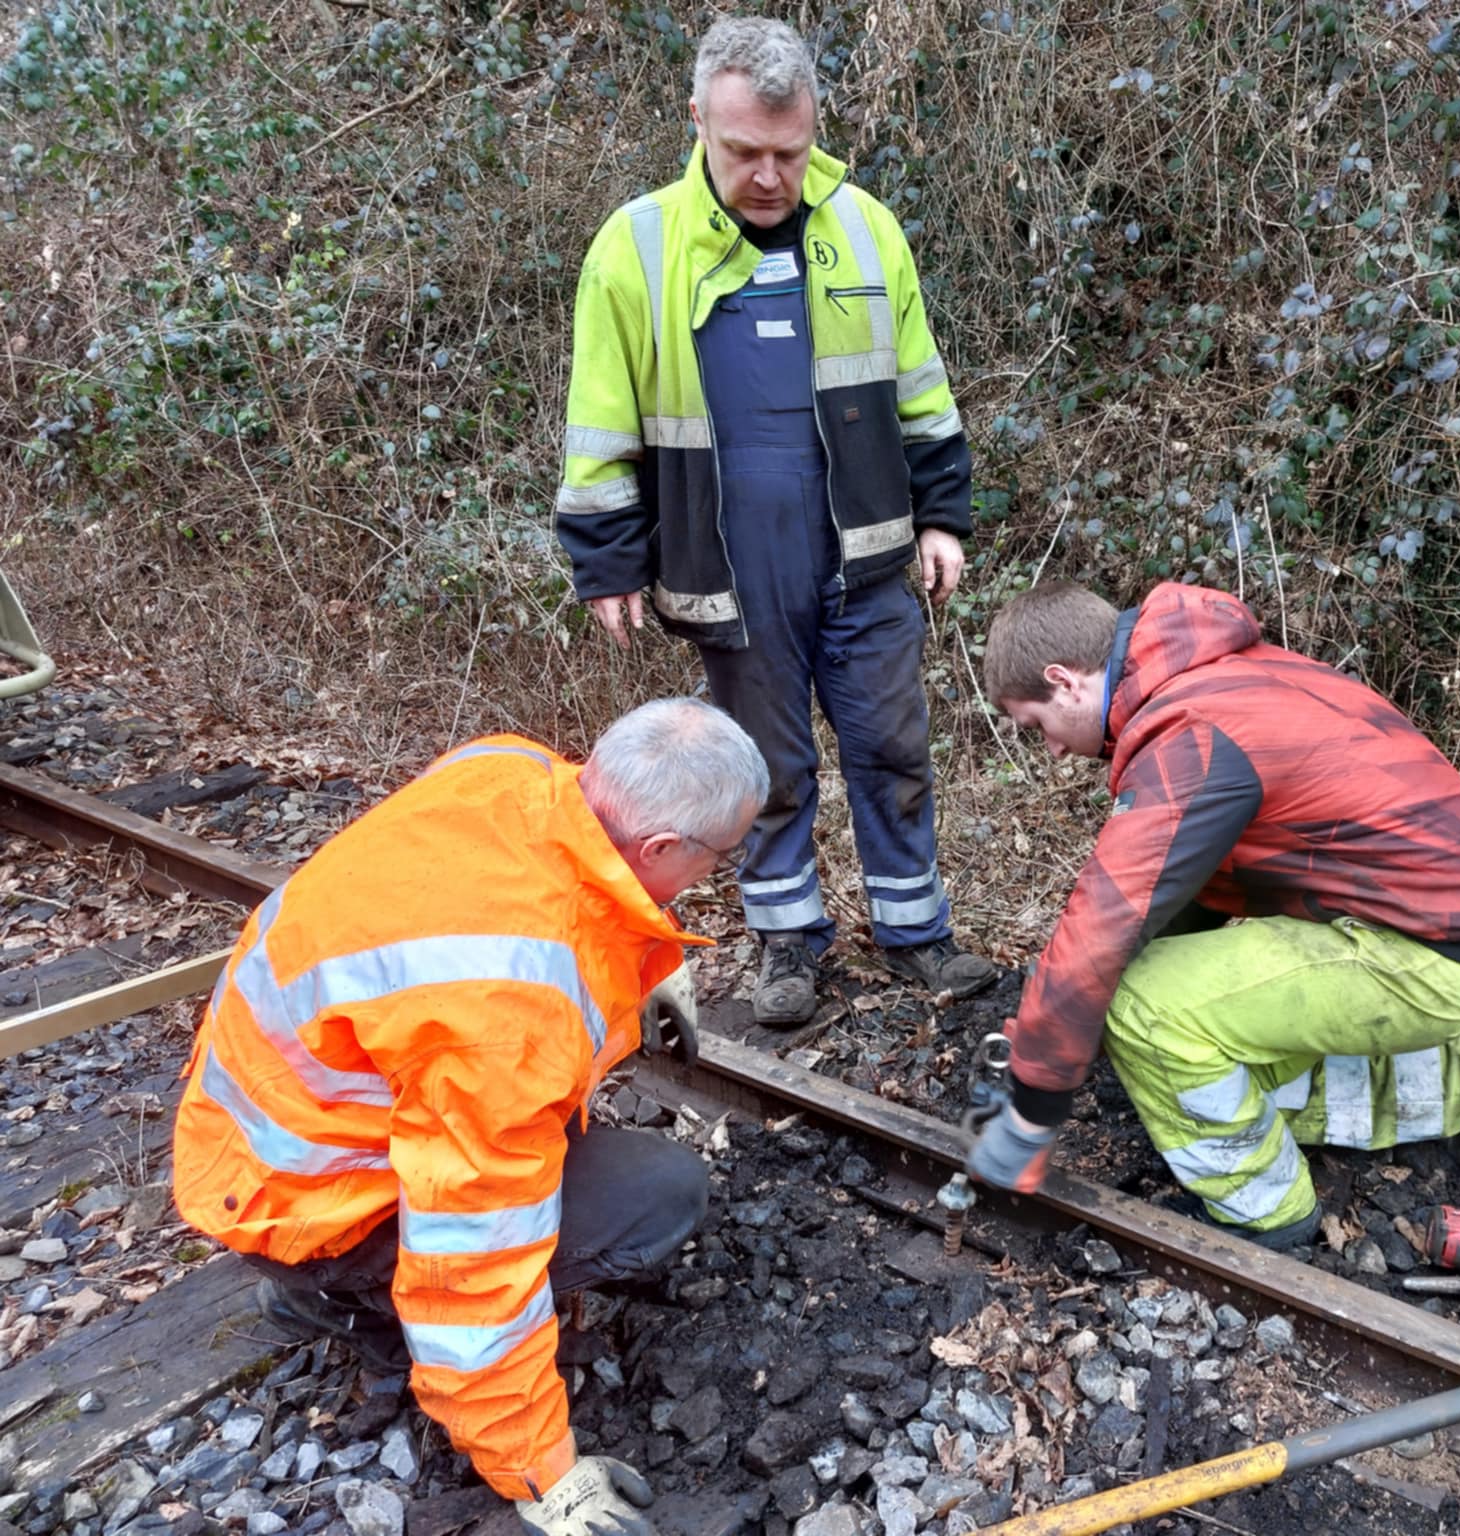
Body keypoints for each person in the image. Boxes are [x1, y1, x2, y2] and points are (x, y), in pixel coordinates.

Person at [171, 699, 770, 1536]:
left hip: (257, 1135)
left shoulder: (506, 768)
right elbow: (476, 1263)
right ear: (660, 848)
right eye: (718, 858)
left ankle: (331, 1282)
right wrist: (543, 1474)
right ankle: (347, 1302)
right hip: (311, 1208)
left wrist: (641, 955)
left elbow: (513, 913)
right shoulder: (509, 1015)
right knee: (663, 1189)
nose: (717, 877)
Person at [553, 15, 995, 1026]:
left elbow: (921, 390)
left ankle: (917, 935)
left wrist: (945, 517)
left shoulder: (865, 227)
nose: (767, 176)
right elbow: (599, 425)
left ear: (813, 133)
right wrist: (607, 561)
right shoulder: (637, 245)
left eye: (787, 155)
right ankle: (788, 947)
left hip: (869, 555)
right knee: (769, 767)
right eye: (744, 151)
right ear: (698, 119)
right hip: (731, 564)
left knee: (892, 747)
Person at [963, 582, 1460, 1250]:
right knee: (1204, 1044)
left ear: (1063, 682)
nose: (1052, 750)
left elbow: (1104, 923)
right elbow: (1170, 896)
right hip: (1453, 923)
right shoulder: (1217, 678)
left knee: (1149, 1012)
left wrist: (1033, 1109)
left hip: (1423, 951)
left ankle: (1263, 1207)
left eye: (1036, 727)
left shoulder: (1191, 735)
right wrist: (1047, 1034)